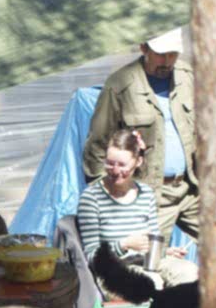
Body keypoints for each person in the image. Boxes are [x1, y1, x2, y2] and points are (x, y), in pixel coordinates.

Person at [83, 29, 199, 244]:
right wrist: (108, 197)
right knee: (148, 258)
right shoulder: (120, 84)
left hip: (191, 190)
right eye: (161, 55)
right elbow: (97, 145)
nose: (167, 61)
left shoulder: (187, 76)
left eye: (173, 54)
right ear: (144, 48)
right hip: (149, 195)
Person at [78, 129, 198, 292]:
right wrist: (124, 245)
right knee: (152, 283)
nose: (115, 170)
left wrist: (165, 252)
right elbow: (92, 257)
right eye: (110, 163)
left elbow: (152, 242)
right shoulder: (92, 198)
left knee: (190, 274)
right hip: (115, 272)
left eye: (122, 165)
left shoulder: (145, 194)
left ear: (138, 162)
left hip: (147, 263)